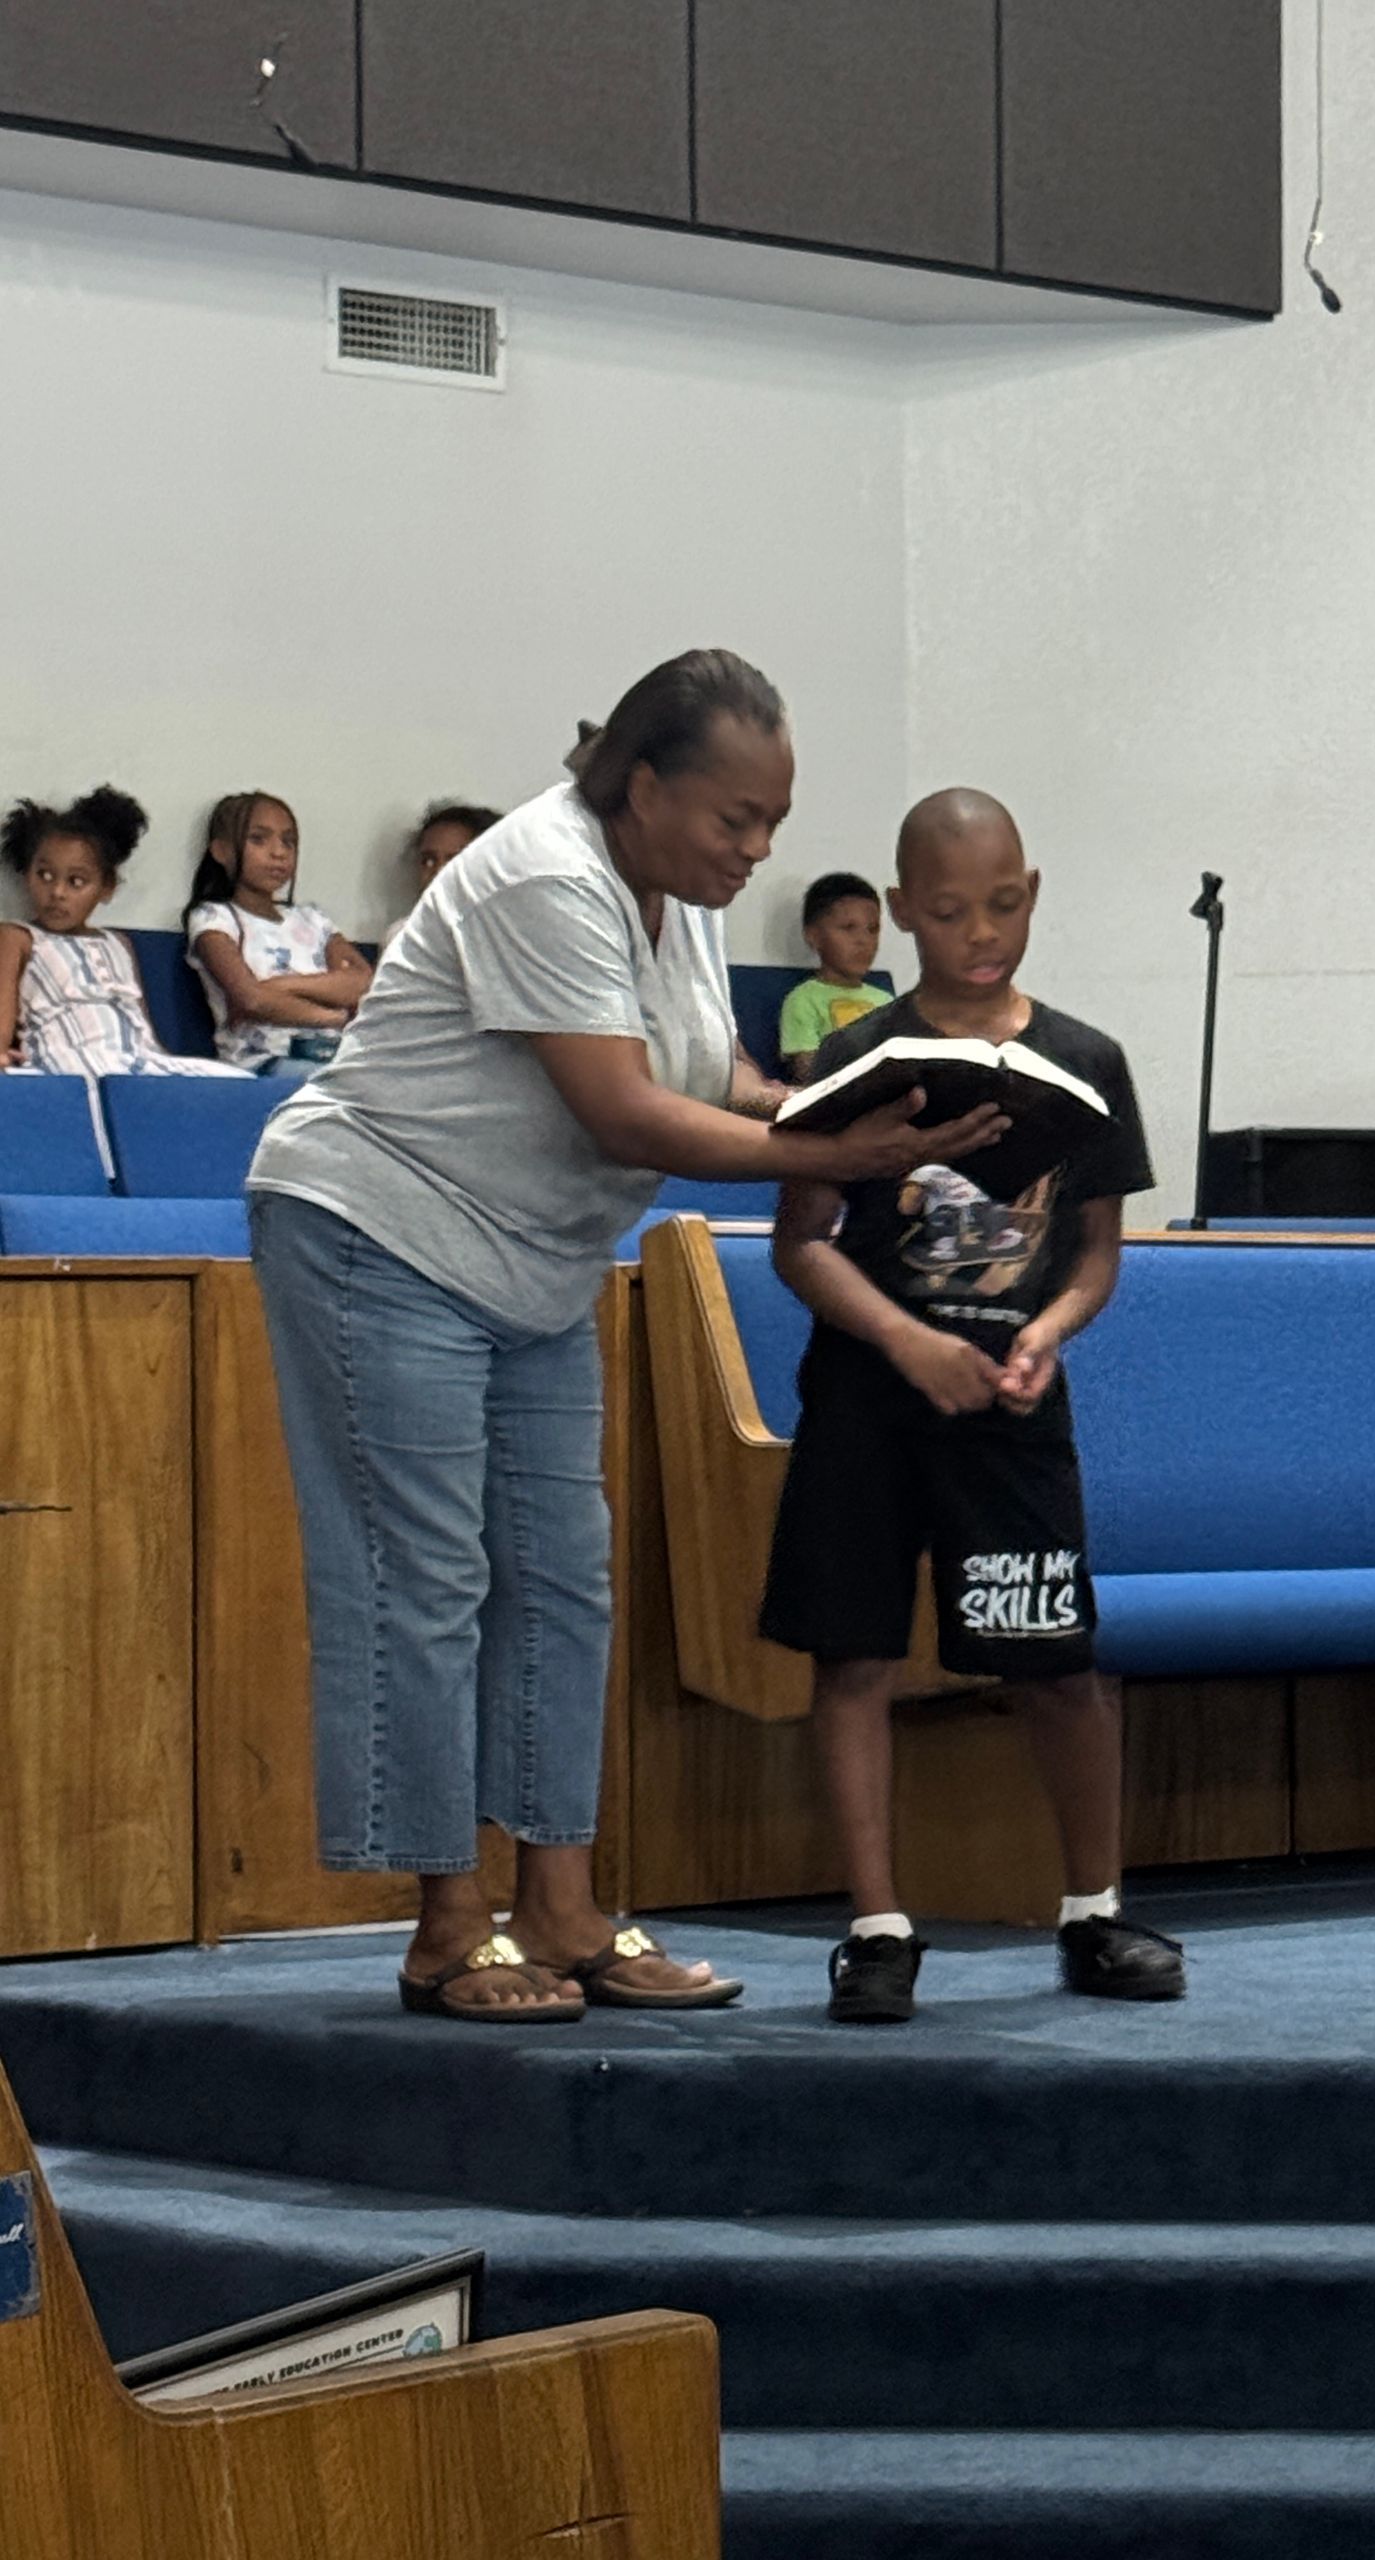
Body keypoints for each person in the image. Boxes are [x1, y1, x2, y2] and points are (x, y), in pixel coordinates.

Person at [246, 651, 1006, 2023]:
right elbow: (625, 1112)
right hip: (380, 1230)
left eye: (774, 823)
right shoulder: (545, 870)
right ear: (642, 785)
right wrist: (831, 1144)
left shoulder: (682, 896)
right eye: (735, 820)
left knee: (564, 1576)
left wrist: (892, 1113)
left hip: (533, 1261)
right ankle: (446, 1924)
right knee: (425, 1577)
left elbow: (715, 1079)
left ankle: (562, 1905)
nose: (757, 850)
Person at [758, 785, 1187, 2025]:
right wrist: (904, 1340)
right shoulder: (853, 1059)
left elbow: (1098, 1252)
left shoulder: (1088, 1060)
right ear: (901, 912)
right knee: (854, 1656)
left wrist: (1047, 1333)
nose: (979, 932)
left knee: (1057, 1664)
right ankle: (878, 1927)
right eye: (946, 912)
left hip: (1010, 1401)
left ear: (1033, 893)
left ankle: (1094, 1911)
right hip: (867, 1396)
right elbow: (801, 1244)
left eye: (1002, 905)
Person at [0, 787, 252, 1084]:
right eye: (44, 875)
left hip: (136, 1059)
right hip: (67, 1058)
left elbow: (138, 1020)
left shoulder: (118, 943)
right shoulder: (18, 937)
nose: (57, 893)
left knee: (238, 1081)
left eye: (76, 882)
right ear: (25, 873)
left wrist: (162, 1064)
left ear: (106, 888)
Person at [185, 793, 373, 1077]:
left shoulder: (313, 920)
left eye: (288, 842)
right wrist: (333, 1016)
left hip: (333, 1057)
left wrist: (281, 986)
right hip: (261, 1063)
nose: (278, 853)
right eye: (259, 839)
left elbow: (361, 984)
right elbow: (252, 1001)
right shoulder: (215, 920)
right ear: (221, 851)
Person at [778, 871, 889, 1077]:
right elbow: (807, 1073)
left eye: (873, 930)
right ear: (813, 936)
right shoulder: (803, 1000)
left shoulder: (886, 1001)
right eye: (848, 928)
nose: (863, 940)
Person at [380, 802, 503, 956]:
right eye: (429, 861)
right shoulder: (403, 936)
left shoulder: (515, 937)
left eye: (453, 862)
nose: (438, 873)